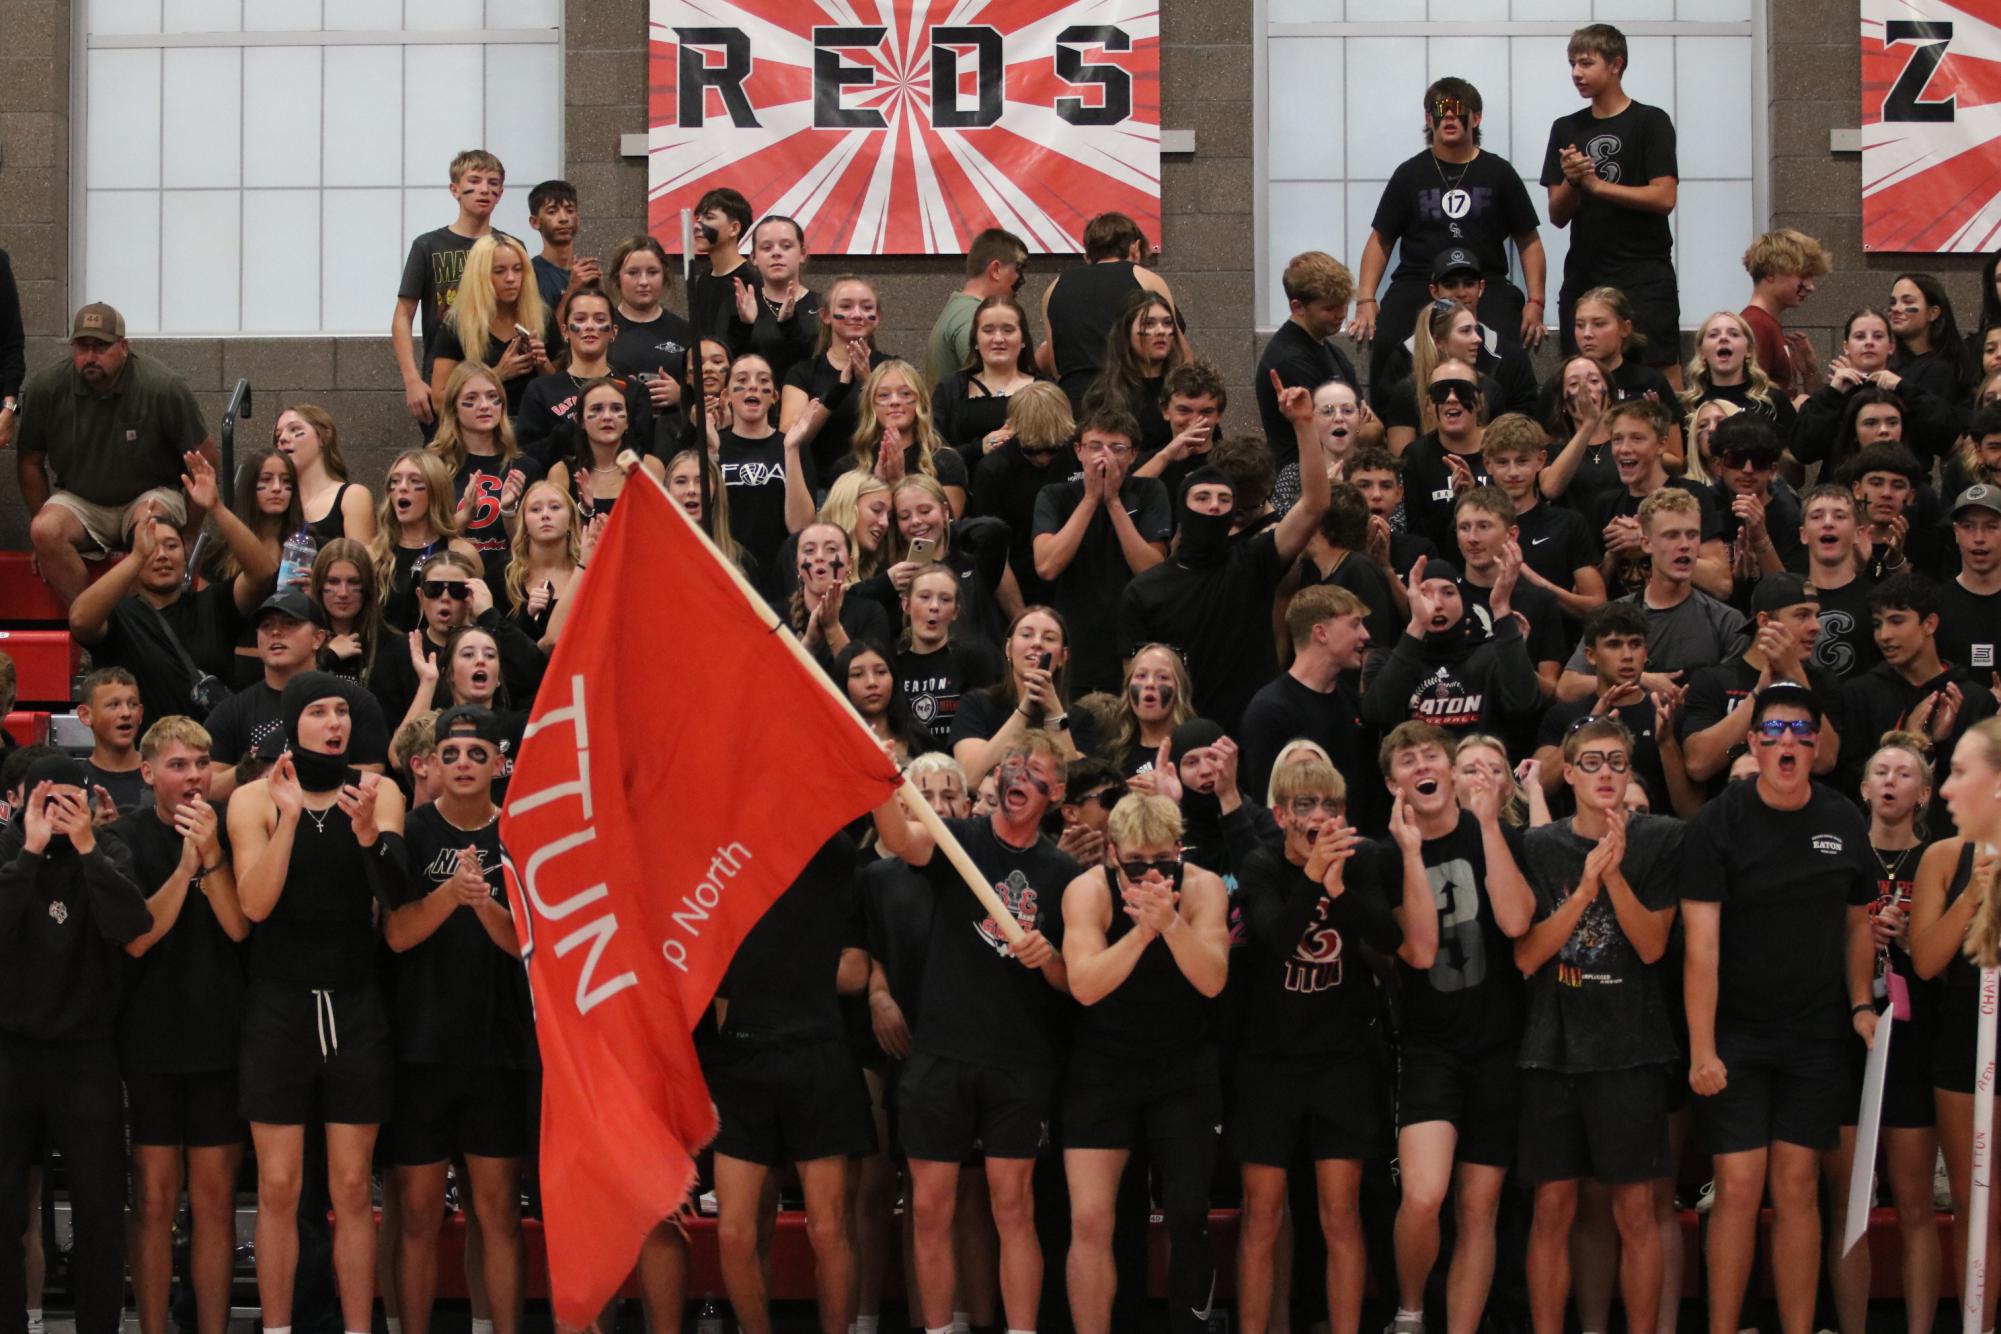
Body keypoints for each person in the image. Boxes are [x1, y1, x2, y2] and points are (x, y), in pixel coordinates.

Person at [1681, 682, 1877, 1334]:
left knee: (1796, 1190)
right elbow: (1700, 950)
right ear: (1753, 743)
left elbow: (1858, 927)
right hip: (1734, 1036)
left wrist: (1857, 1004)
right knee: (1737, 1190)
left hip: (1814, 1035)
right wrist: (1703, 1048)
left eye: (1799, 730)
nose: (1786, 741)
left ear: (1816, 743)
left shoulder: (1843, 818)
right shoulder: (1717, 824)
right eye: (1773, 731)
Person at [870, 731, 1078, 1334]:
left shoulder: (1063, 872)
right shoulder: (960, 840)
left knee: (1013, 1208)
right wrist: (883, 781)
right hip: (941, 1052)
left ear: (1056, 793)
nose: (1019, 776)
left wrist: (1051, 961)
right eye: (1013, 765)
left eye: (1035, 771)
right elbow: (898, 840)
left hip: (1018, 1060)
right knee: (930, 1209)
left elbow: (1077, 984)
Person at [230, 674, 405, 1334]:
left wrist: (366, 835)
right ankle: (277, 1329)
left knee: (353, 1189)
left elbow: (394, 892)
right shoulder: (253, 798)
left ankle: (358, 1329)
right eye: (319, 711)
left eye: (342, 711)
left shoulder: (379, 791)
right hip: (279, 1007)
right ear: (292, 722)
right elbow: (254, 905)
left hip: (356, 1007)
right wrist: (293, 818)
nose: (334, 722)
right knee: (277, 1188)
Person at [1512, 717, 1681, 1334]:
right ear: (1570, 775)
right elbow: (1527, 957)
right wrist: (1584, 890)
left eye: (1617, 762)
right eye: (1592, 763)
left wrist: (1613, 873)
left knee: (1635, 1211)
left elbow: (1653, 947)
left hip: (1630, 1047)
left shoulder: (1662, 839)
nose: (1606, 774)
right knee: (1551, 1209)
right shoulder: (1538, 846)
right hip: (1552, 1050)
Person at [1375, 721, 1533, 1334]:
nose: (1424, 764)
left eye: (1431, 754)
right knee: (1423, 1195)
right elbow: (1416, 951)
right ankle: (1410, 1313)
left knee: (1479, 1206)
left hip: (1499, 1045)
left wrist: (1490, 824)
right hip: (1430, 1048)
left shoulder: (1499, 835)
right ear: (1395, 785)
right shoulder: (1386, 856)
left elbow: (1518, 922)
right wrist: (1414, 854)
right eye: (1409, 760)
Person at [1231, 754, 1398, 1334]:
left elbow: (1389, 938)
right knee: (1262, 1214)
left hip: (1341, 1059)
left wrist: (1338, 886)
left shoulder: (1363, 861)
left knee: (1341, 1214)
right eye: (1306, 804)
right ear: (1280, 814)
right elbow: (1276, 941)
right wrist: (1311, 881)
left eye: (1330, 805)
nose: (1320, 815)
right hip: (1268, 1061)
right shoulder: (1259, 865)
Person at [381, 705, 527, 1334]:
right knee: (415, 1214)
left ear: (499, 763)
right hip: (420, 1051)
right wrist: (449, 895)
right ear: (431, 763)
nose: (463, 764)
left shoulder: (524, 833)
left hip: (499, 1052)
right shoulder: (410, 833)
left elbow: (529, 945)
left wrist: (485, 903)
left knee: (496, 1214)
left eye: (476, 754)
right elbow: (396, 935)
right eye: (451, 754)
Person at [1058, 792, 1227, 1334]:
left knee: (1187, 1215)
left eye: (1163, 863)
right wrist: (1142, 930)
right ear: (1111, 854)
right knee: (1089, 1219)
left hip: (1181, 1066)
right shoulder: (1086, 891)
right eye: (1136, 865)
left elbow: (1213, 980)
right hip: (1104, 1065)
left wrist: (1171, 924)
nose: (1151, 877)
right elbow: (1083, 986)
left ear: (1180, 850)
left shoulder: (1201, 887)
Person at [0, 754, 150, 1334]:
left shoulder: (106, 852)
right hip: (10, 1050)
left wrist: (88, 848)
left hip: (87, 1051)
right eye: (47, 800)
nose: (59, 812)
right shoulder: (7, 850)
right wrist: (31, 852)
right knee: (4, 1210)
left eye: (71, 800)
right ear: (19, 801)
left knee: (99, 1212)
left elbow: (131, 926)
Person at [116, 716, 248, 1334]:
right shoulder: (127, 839)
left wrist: (212, 854)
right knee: (153, 1202)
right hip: (150, 1046)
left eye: (201, 763)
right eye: (177, 765)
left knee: (216, 1206)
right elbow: (138, 938)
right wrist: (184, 866)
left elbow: (239, 927)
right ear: (148, 775)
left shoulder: (234, 831)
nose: (193, 776)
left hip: (221, 1043)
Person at [1119, 373, 1329, 729]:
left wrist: (1305, 424)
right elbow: (1135, 685)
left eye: (1224, 499)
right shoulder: (1145, 591)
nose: (1214, 506)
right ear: (1182, 508)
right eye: (1203, 497)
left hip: (1250, 725)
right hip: (1180, 731)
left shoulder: (1253, 563)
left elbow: (1314, 505)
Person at [1821, 735, 1942, 1334]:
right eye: (1881, 772)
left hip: (1916, 1045)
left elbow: (1951, 961)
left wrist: (1911, 935)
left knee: (1917, 1206)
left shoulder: (1939, 861)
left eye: (1905, 773)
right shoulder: (1843, 859)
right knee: (1849, 1206)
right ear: (1864, 789)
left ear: (1924, 793)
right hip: (1850, 1038)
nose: (1891, 781)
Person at [17, 303, 216, 604]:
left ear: (123, 347)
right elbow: (29, 462)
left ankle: (139, 624)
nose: (91, 356)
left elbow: (206, 461)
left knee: (151, 526)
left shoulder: (162, 386)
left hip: (150, 493)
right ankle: (92, 624)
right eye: (82, 347)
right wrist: (43, 542)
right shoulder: (47, 388)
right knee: (44, 529)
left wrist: (188, 534)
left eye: (101, 346)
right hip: (80, 498)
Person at [1350, 76, 1547, 377]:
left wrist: (1536, 301)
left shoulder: (1499, 172)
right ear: (1429, 119)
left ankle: (1506, 423)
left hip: (1484, 282)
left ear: (1476, 117)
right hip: (1419, 280)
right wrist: (1366, 299)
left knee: (1508, 344)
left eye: (1458, 108)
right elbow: (1380, 239)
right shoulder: (1409, 174)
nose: (1450, 116)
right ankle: (1388, 423)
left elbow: (1529, 240)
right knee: (1388, 340)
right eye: (1441, 109)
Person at [1911, 719, 2001, 1331]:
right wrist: (1974, 895)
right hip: (1965, 1042)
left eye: (1961, 774)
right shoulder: (1945, 856)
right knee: (1977, 1203)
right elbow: (1925, 960)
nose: (1947, 789)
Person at [67, 477, 276, 729]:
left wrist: (215, 507)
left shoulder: (214, 604)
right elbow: (79, 620)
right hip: (149, 756)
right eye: (151, 548)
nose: (163, 555)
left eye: (171, 546)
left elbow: (263, 572)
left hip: (213, 756)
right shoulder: (120, 617)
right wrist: (136, 558)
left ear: (185, 555)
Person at [1541, 25, 1680, 377]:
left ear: (1615, 64)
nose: (1576, 73)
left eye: (1586, 63)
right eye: (1572, 63)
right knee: (1581, 376)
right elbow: (1557, 214)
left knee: (1658, 372)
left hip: (1643, 274)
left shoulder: (1650, 121)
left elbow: (1664, 196)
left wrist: (1596, 186)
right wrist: (1574, 182)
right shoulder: (1565, 127)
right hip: (1585, 273)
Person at [1556, 488, 1749, 701]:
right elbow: (1567, 688)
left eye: (1692, 535)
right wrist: (1641, 679)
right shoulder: (1613, 617)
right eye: (1672, 535)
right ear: (1646, 543)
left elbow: (1739, 697)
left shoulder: (1726, 621)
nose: (1684, 545)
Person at [1031, 407, 1171, 694]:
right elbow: (1046, 566)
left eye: (1117, 448)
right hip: (1075, 643)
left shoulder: (1150, 492)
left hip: (1134, 642)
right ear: (1079, 451)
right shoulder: (1054, 496)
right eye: (1095, 447)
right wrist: (1092, 498)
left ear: (1133, 455)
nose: (1104, 457)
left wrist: (1114, 502)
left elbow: (1152, 571)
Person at [207, 589, 391, 802]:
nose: (275, 632)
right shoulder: (232, 710)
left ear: (318, 638)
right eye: (266, 626)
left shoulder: (354, 701)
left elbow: (373, 773)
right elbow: (207, 788)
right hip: (261, 823)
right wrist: (252, 766)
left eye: (290, 623)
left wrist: (303, 770)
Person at [1840, 573, 1999, 814]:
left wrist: (1941, 746)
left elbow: (1982, 791)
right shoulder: (1858, 695)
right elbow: (1849, 787)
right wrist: (1907, 741)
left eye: (1897, 621)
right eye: (1877, 624)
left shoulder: (1974, 700)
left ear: (1929, 624)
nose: (1884, 635)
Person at [1532, 602, 1697, 819]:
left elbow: (1691, 811)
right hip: (1583, 843)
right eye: (1614, 644)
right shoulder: (1565, 716)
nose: (1627, 655)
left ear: (1646, 652)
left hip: (1656, 841)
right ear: (1590, 655)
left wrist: (1666, 743)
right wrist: (1585, 729)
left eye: (1635, 644)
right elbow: (1538, 787)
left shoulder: (1668, 715)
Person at [1678, 572, 1842, 788]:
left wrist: (1795, 673)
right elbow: (1698, 764)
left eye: (1816, 616)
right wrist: (1759, 693)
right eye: (1802, 616)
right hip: (1731, 813)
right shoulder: (1713, 679)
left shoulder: (1822, 681)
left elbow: (1826, 761)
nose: (1816, 627)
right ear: (1764, 621)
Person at [1362, 555, 1542, 737]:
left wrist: (1502, 608)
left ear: (1464, 603)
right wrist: (1417, 625)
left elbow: (1525, 705)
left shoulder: (1491, 657)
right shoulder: (1384, 660)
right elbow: (1377, 715)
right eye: (1424, 594)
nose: (1437, 604)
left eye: (1448, 593)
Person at [392, 149, 505, 432]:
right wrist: (412, 380)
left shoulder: (508, 248)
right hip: (442, 377)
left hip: (498, 375)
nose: (484, 189)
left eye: (492, 183)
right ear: (455, 189)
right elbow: (403, 315)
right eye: (475, 180)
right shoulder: (428, 246)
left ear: (501, 193)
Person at [1238, 585, 1371, 820]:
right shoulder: (1269, 711)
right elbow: (1266, 805)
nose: (1365, 635)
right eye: (1355, 624)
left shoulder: (1351, 699)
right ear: (1321, 633)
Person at [1590, 398, 1728, 601]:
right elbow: (1590, 600)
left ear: (1662, 444)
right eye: (1617, 439)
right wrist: (1613, 554)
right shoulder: (1605, 504)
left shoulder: (1692, 495)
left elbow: (1721, 584)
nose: (1624, 449)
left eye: (1637, 438)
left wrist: (1648, 542)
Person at [1041, 212, 1184, 405]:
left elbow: (1055, 364)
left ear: (1087, 257)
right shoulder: (1146, 279)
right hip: (1134, 400)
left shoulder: (1054, 287)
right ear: (1136, 248)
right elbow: (1179, 352)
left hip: (1075, 404)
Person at [1794, 309, 1959, 472]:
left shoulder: (1908, 389)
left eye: (1878, 336)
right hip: (1842, 488)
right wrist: (1832, 393)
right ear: (1846, 347)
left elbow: (1945, 437)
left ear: (1891, 346)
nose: (1869, 342)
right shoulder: (1834, 394)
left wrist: (1903, 388)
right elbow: (1804, 450)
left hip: (1904, 485)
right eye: (1860, 337)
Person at [427, 362, 543, 587]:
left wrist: (509, 511)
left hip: (508, 584)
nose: (485, 406)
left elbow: (529, 547)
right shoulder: (435, 465)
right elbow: (422, 541)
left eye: (493, 397)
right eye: (472, 399)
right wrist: (463, 518)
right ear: (454, 408)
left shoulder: (524, 467)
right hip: (447, 586)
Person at [1478, 414, 1605, 620]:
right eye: (1502, 462)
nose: (1513, 472)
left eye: (1522, 461)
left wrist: (1534, 581)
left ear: (1540, 460)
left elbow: (1598, 606)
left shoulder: (1568, 524)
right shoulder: (1473, 530)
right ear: (1487, 464)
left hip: (1559, 647)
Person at [513, 285, 658, 466]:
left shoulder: (634, 391)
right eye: (580, 319)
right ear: (565, 331)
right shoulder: (540, 390)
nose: (589, 326)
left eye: (599, 319)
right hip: (559, 488)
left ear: (613, 332)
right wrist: (574, 424)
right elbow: (525, 457)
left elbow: (642, 454)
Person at [951, 606, 1095, 783]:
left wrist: (1055, 714)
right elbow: (971, 780)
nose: (1037, 643)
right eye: (1026, 635)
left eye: (1049, 638)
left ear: (1063, 657)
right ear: (1008, 648)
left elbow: (1076, 787)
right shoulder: (976, 704)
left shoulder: (1081, 718)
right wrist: (1024, 709)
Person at [880, 474, 1015, 653]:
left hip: (981, 672)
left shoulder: (974, 562)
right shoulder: (896, 575)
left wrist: (947, 528)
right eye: (904, 516)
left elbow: (995, 529)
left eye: (925, 511)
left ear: (945, 511)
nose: (915, 521)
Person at [710, 353, 816, 580]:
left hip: (779, 577)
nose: (753, 387)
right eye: (742, 380)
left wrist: (791, 450)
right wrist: (710, 454)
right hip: (726, 572)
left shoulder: (792, 446)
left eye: (763, 380)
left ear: (775, 396)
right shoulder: (713, 444)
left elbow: (801, 526)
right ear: (726, 395)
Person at [972, 383, 1078, 605]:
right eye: (1031, 450)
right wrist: (1020, 618)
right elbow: (995, 558)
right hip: (1019, 585)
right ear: (1012, 430)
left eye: (1052, 449)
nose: (1043, 459)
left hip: (1076, 583)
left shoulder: (1079, 454)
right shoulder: (993, 470)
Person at [780, 275, 894, 480]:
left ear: (877, 317)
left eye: (867, 307)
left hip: (878, 483)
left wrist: (869, 384)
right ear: (826, 315)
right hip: (822, 488)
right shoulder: (803, 373)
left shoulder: (893, 368)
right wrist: (838, 392)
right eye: (846, 306)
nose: (857, 314)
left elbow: (905, 427)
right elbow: (790, 438)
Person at [427, 234, 553, 419]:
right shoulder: (457, 325)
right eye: (499, 271)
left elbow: (560, 391)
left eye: (517, 270)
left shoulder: (541, 316)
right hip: (480, 430)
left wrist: (543, 364)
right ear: (480, 276)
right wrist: (497, 375)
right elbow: (439, 401)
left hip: (534, 429)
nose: (511, 278)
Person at [1256, 252, 1367, 460]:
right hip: (1304, 477)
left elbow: (1373, 428)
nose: (1341, 314)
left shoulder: (1332, 352)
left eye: (1344, 304)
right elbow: (1336, 434)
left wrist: (1361, 427)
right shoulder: (1288, 359)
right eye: (1329, 308)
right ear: (1298, 307)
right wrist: (1359, 424)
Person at [366, 450, 484, 635]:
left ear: (436, 490)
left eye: (415, 481)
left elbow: (476, 619)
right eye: (395, 481)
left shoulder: (461, 553)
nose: (402, 488)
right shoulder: (375, 553)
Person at [1380, 297, 1515, 453]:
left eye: (1476, 330)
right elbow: (1401, 462)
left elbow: (1499, 454)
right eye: (1466, 331)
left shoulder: (1489, 388)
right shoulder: (1407, 391)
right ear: (1438, 341)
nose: (1477, 339)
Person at [843, 362, 971, 516]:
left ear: (920, 401)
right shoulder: (849, 467)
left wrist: (898, 482)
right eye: (884, 395)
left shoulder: (946, 462)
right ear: (871, 405)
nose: (895, 401)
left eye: (905, 394)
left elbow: (948, 528)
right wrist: (879, 485)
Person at [894, 565, 1001, 750]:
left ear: (955, 612)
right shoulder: (891, 666)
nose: (934, 606)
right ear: (906, 605)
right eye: (925, 597)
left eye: (945, 599)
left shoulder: (974, 660)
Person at [933, 295, 1045, 465]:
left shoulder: (1046, 388)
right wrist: (978, 448)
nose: (998, 339)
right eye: (988, 330)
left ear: (1023, 340)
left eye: (1008, 330)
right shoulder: (950, 390)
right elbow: (932, 455)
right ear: (975, 341)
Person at [1397, 358, 1492, 551]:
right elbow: (1417, 534)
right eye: (1440, 391)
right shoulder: (1416, 456)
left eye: (1462, 389)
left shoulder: (1500, 448)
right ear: (1429, 405)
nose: (1451, 398)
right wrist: (1455, 503)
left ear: (1480, 401)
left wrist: (1475, 495)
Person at [544, 377, 664, 521]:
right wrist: (586, 512)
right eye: (597, 409)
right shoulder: (561, 473)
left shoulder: (650, 467)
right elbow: (560, 536)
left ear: (627, 421)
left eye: (616, 408)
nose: (607, 417)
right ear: (581, 420)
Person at [605, 234, 695, 418]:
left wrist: (682, 396)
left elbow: (707, 391)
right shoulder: (601, 329)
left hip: (671, 436)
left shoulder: (685, 332)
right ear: (617, 278)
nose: (643, 282)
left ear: (665, 276)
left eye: (652, 272)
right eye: (633, 273)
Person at [926, 228, 1029, 387]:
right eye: (1018, 269)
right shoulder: (971, 317)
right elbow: (992, 387)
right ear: (995, 270)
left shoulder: (959, 309)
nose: (1021, 279)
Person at [726, 215, 820, 387]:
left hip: (809, 405)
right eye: (766, 247)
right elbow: (726, 366)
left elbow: (820, 365)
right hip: (754, 405)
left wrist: (789, 324)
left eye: (786, 246)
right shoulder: (738, 306)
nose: (776, 253)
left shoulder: (822, 307)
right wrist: (744, 326)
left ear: (802, 253)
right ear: (754, 257)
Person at [1741, 228, 1832, 401]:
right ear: (1770, 273)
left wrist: (1809, 372)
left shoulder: (1765, 324)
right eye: (1804, 275)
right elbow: (1751, 403)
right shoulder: (1756, 325)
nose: (1811, 287)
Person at [1681, 310, 1798, 442]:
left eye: (1734, 334)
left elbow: (1794, 457)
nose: (1723, 338)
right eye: (1713, 335)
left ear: (1749, 350)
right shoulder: (1688, 404)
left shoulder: (1772, 400)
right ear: (1701, 352)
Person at [503, 479, 592, 649]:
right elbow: (500, 645)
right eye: (535, 510)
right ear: (525, 524)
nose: (545, 515)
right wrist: (527, 616)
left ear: (571, 520)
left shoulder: (588, 572)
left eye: (555, 507)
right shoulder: (504, 575)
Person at [276, 406, 377, 548]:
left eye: (294, 430)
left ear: (323, 437)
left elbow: (360, 564)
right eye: (278, 435)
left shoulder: (352, 496)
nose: (282, 439)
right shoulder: (278, 498)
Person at [1889, 271, 1977, 422]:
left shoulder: (1941, 369)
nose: (1896, 309)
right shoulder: (1891, 363)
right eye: (1893, 302)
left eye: (1908, 302)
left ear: (1932, 313)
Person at [1937, 483, 2001, 674]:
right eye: (1968, 526)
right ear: (1956, 532)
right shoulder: (1937, 605)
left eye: (1991, 526)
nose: (1979, 537)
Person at [310, 539, 386, 686]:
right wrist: (329, 657)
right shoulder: (301, 642)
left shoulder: (395, 647)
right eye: (333, 581)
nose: (343, 593)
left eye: (354, 582)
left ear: (367, 587)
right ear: (319, 585)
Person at [74, 666, 147, 813]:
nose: (126, 713)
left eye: (132, 704)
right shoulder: (75, 780)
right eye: (114, 705)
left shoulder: (161, 775)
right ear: (86, 715)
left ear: (140, 713)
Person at [686, 186, 754, 341]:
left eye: (709, 217)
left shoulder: (751, 279)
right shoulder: (703, 281)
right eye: (698, 219)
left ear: (734, 228)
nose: (697, 226)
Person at [526, 179, 592, 312]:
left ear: (577, 219)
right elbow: (543, 332)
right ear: (534, 222)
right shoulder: (529, 273)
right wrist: (572, 289)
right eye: (552, 211)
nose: (563, 218)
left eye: (570, 210)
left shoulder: (586, 272)